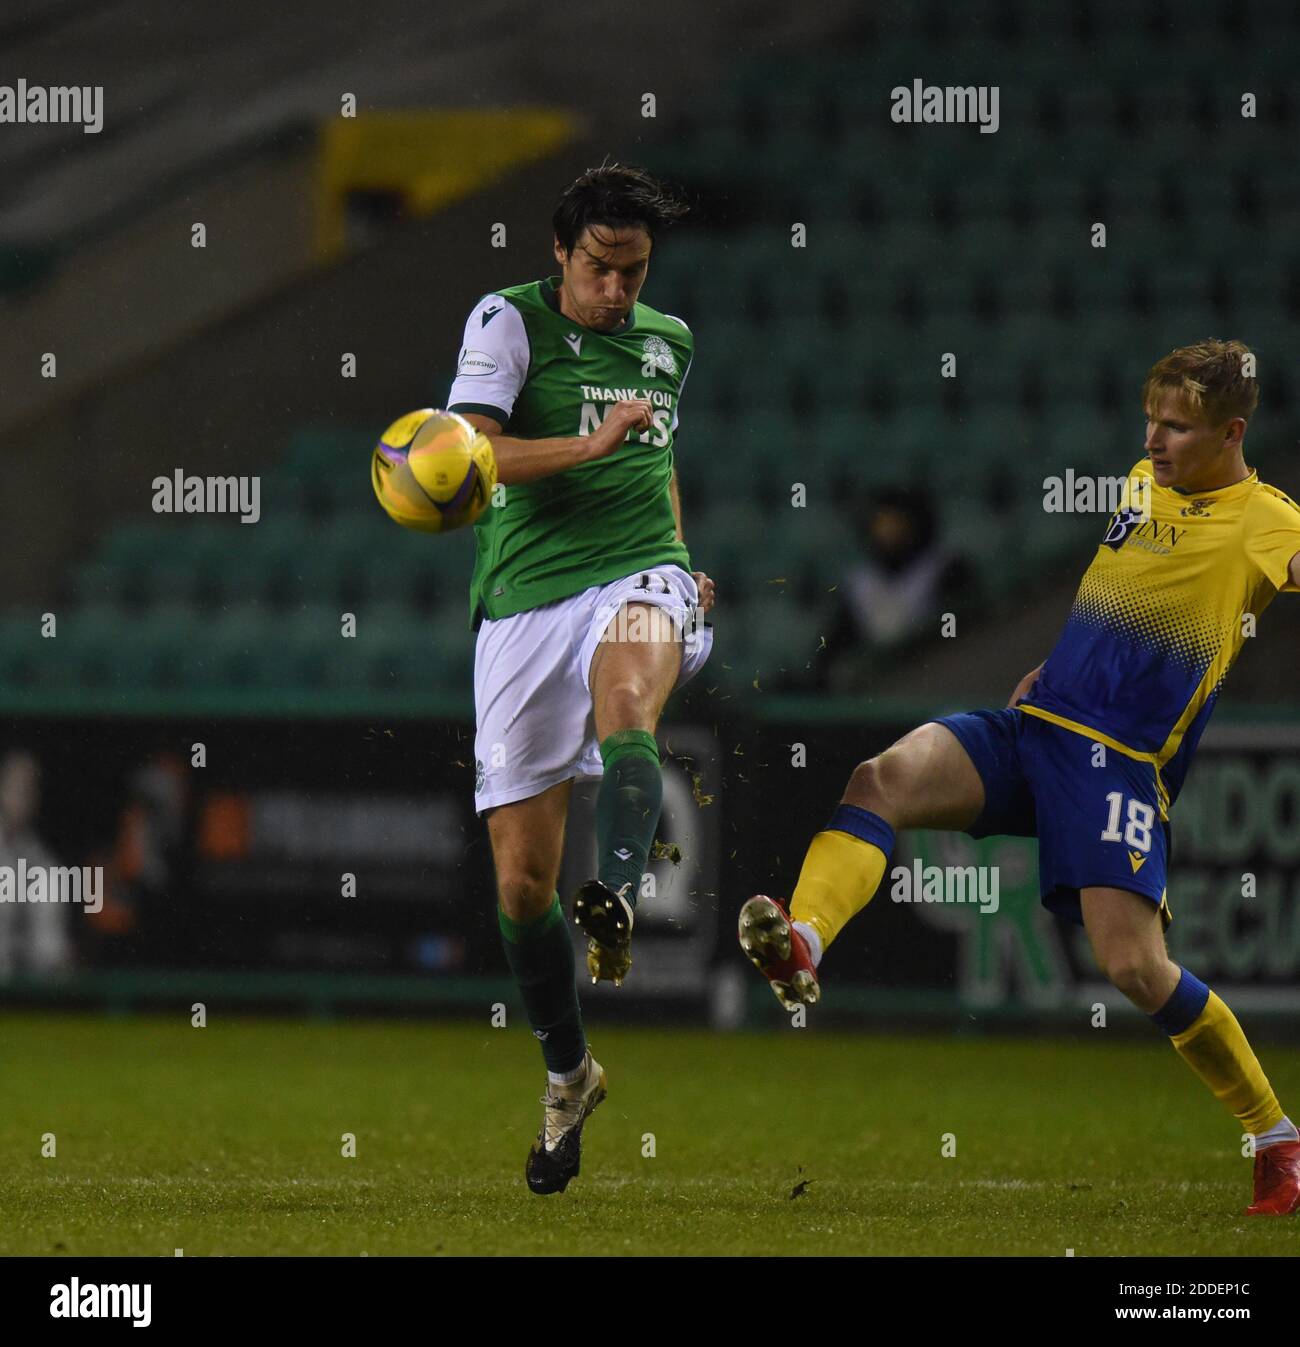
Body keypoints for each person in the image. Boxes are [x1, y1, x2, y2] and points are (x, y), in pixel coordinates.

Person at [739, 339, 1300, 1216]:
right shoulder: (1141, 482)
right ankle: (805, 941)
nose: (1154, 439)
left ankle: (1274, 1135)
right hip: (1035, 725)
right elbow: (1115, 588)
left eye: (1177, 427)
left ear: (1231, 432)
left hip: (1117, 763)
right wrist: (1050, 661)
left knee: (1136, 968)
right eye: (1150, 419)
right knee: (878, 778)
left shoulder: (1270, 520)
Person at [444, 162, 715, 1194]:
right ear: (561, 253)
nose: (616, 292)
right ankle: (569, 1073)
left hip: (636, 570)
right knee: (518, 884)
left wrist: (682, 563)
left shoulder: (670, 342)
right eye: (599, 269)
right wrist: (586, 440)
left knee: (629, 702)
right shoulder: (505, 323)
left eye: (633, 272)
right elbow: (468, 457)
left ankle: (616, 890)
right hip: (521, 603)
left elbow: (659, 463)